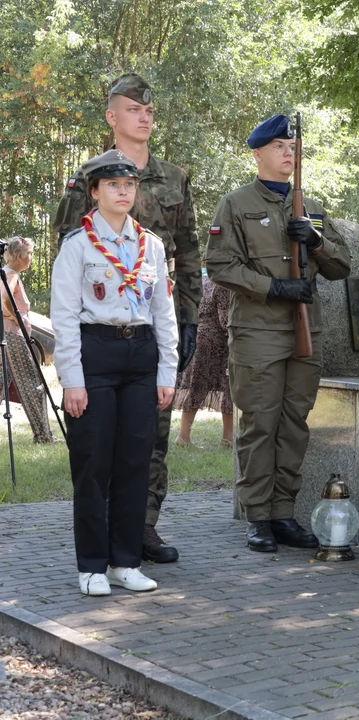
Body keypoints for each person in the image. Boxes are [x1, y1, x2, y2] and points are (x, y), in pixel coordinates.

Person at [53, 73, 202, 565]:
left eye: (150, 111)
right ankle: (107, 537)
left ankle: (142, 528)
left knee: (150, 433)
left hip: (154, 325)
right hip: (104, 329)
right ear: (112, 116)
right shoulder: (89, 176)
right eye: (134, 109)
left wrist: (189, 319)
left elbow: (189, 252)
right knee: (104, 438)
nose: (145, 117)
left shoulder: (175, 177)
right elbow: (69, 248)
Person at [205, 113, 351, 553]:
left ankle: (284, 513)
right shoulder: (235, 204)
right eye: (280, 147)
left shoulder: (311, 208)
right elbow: (220, 265)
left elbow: (341, 266)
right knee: (259, 426)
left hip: (307, 331)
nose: (289, 154)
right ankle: (258, 517)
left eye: (293, 148)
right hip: (257, 332)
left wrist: (316, 241)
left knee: (294, 426)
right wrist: (273, 287)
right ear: (258, 153)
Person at [51, 150, 178, 596]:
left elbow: (164, 313)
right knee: (93, 463)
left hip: (141, 355)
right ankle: (91, 565)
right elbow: (63, 316)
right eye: (113, 186)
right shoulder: (78, 245)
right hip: (96, 353)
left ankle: (125, 561)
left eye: (129, 185)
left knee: (134, 463)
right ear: (95, 192)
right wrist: (72, 380)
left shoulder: (152, 245)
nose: (123, 192)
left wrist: (167, 371)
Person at [1, 237, 55, 443]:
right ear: (18, 255)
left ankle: (43, 434)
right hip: (14, 334)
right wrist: (14, 317)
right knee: (32, 383)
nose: (31, 258)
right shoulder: (11, 274)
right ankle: (43, 435)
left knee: (3, 381)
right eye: (29, 254)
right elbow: (5, 298)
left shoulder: (5, 272)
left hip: (7, 333)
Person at [174, 273, 233, 447]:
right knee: (228, 388)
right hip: (217, 343)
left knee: (196, 387)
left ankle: (183, 436)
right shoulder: (224, 283)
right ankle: (228, 438)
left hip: (198, 338)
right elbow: (225, 320)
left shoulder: (203, 279)